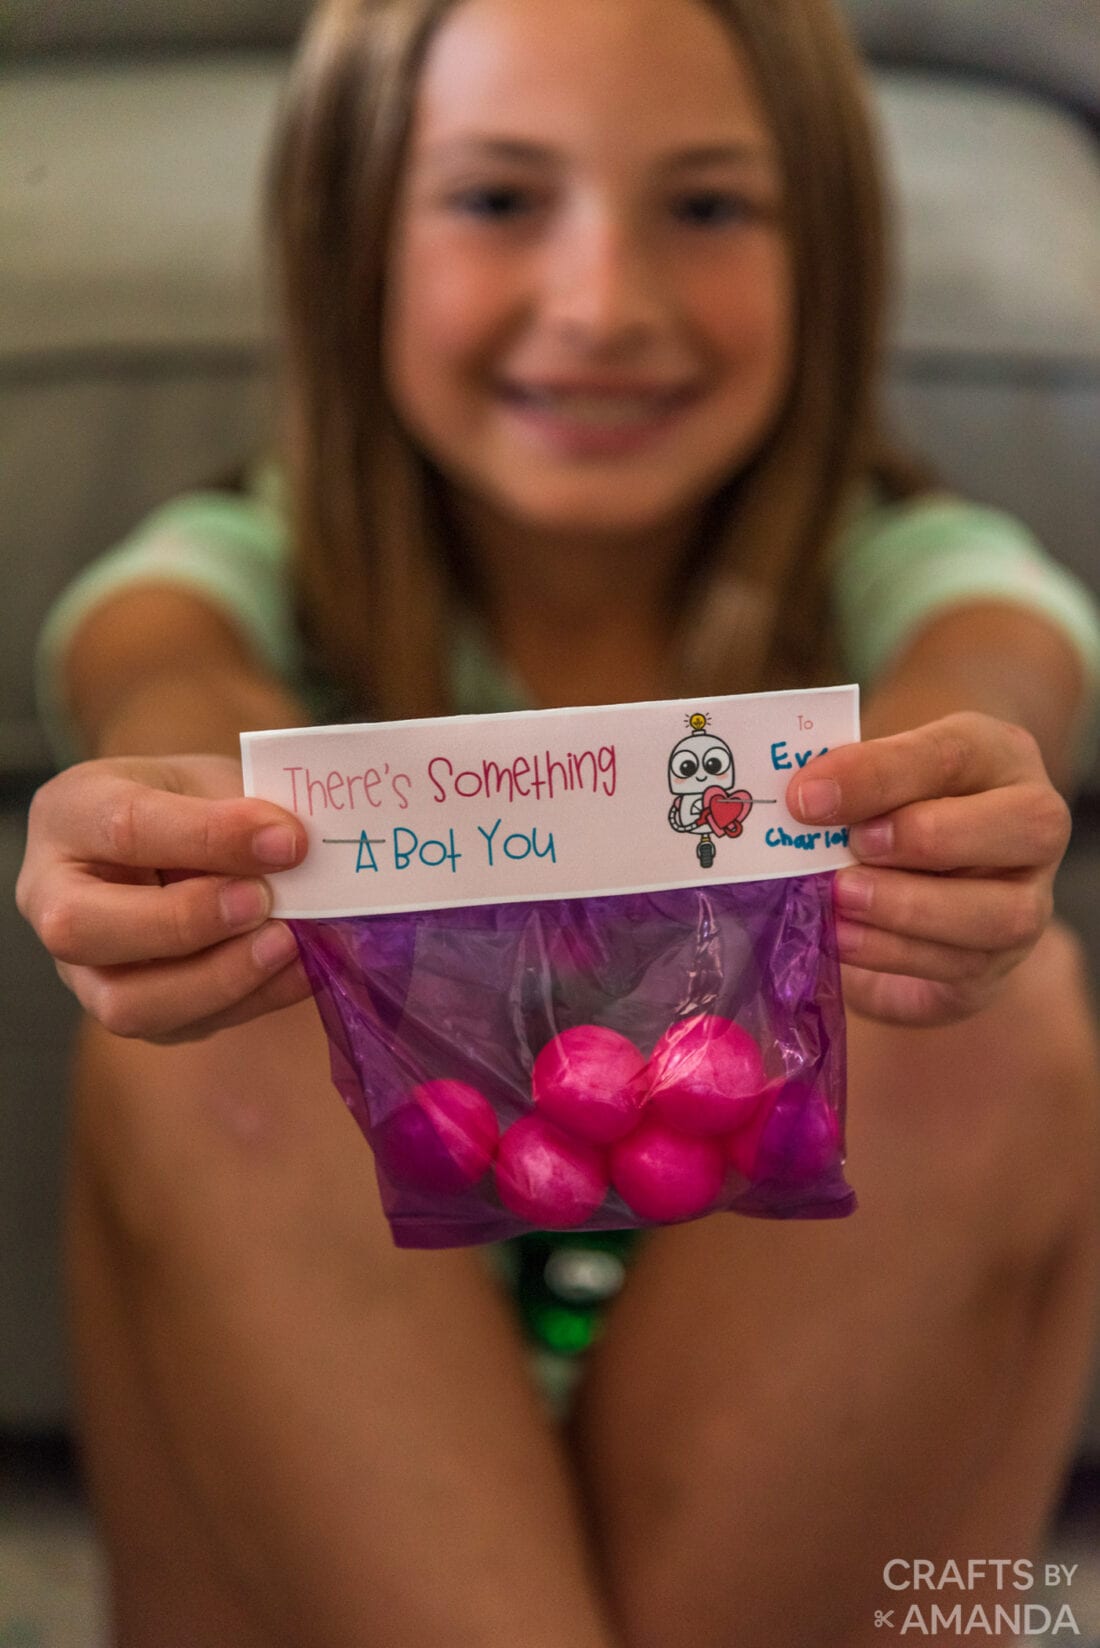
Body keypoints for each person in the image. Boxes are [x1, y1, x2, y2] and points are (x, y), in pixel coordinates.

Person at [15, 0, 1100, 1643]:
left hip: (787, 1425)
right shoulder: (250, 564)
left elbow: (1000, 654)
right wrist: (183, 815)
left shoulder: (898, 565)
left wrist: (955, 780)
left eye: (709, 207)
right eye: (500, 199)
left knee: (1000, 1009)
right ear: (349, 237)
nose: (604, 305)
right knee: (211, 1021)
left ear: (833, 246)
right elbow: (156, 658)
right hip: (307, 1431)